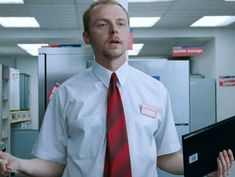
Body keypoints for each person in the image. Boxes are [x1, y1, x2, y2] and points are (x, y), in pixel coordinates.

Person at [0, 0, 234, 177]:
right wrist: (18, 163)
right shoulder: (67, 94)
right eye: (102, 24)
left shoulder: (155, 91)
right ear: (87, 36)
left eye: (120, 24)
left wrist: (204, 167)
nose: (114, 30)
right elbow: (53, 162)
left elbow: (166, 156)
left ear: (128, 35)